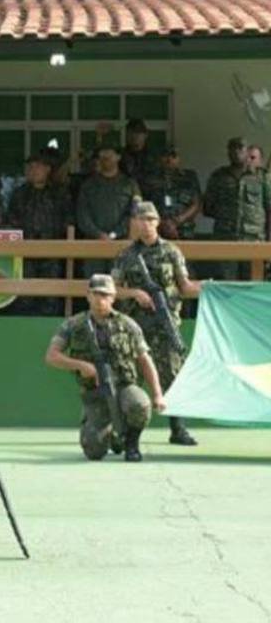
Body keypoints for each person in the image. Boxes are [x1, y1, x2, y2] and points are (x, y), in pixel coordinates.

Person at [44, 274, 166, 462]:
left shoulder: (127, 324)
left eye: (105, 295)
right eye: (96, 294)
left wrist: (157, 394)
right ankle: (100, 428)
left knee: (140, 404)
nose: (101, 299)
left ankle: (131, 444)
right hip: (94, 392)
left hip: (124, 385)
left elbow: (144, 359)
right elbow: (52, 356)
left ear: (113, 297)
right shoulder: (73, 325)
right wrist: (81, 365)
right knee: (94, 451)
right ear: (88, 296)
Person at [111, 202, 202, 445]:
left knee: (172, 373)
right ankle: (125, 431)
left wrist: (211, 289)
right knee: (131, 377)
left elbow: (185, 286)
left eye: (150, 219)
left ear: (157, 221)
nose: (146, 224)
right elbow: (113, 290)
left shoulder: (172, 251)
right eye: (141, 220)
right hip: (134, 325)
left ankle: (178, 428)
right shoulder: (126, 255)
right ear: (135, 223)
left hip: (165, 322)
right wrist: (135, 294)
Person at [5, 153, 73, 315]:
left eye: (37, 166)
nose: (33, 170)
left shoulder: (59, 193)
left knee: (51, 296)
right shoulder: (20, 194)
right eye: (30, 167)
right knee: (25, 296)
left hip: (52, 252)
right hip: (25, 253)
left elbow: (69, 220)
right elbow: (11, 220)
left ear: (47, 169)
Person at [203, 137, 271, 281]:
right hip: (225, 239)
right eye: (232, 148)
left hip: (254, 241)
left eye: (241, 148)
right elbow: (208, 207)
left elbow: (269, 209)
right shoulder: (218, 176)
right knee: (226, 283)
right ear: (228, 152)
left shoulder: (262, 177)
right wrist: (227, 217)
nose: (236, 151)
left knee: (253, 284)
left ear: (247, 151)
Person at [76, 142, 142, 274]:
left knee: (119, 287)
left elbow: (134, 213)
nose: (105, 160)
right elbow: (82, 214)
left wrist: (114, 234)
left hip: (121, 244)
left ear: (118, 157)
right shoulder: (88, 185)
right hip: (94, 244)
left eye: (109, 156)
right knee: (95, 286)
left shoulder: (130, 185)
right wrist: (98, 234)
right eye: (102, 157)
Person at [140, 145, 201, 241]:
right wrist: (161, 222)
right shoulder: (149, 178)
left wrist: (177, 221)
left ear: (179, 158)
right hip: (157, 229)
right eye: (165, 156)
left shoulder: (189, 177)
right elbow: (144, 204)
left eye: (173, 156)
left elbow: (196, 204)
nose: (169, 159)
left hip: (184, 230)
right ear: (159, 158)